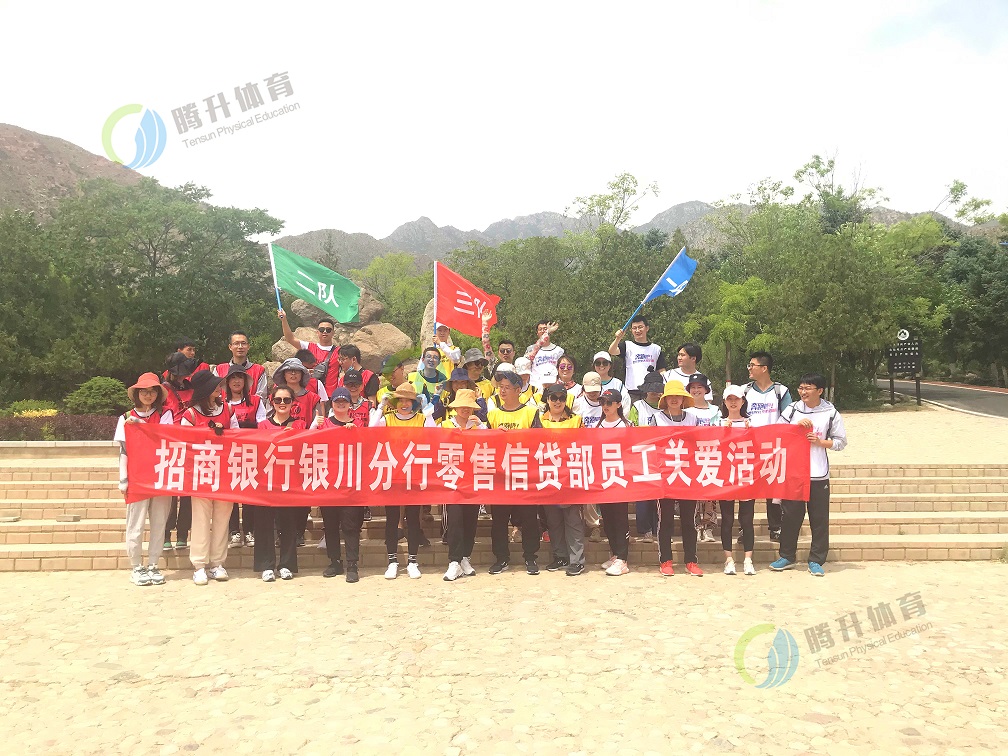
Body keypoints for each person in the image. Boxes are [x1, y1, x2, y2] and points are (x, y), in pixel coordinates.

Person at [770, 373, 848, 577]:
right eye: (801, 388)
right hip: (794, 473)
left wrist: (820, 442)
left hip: (818, 474)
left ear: (819, 391)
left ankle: (816, 560)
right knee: (790, 517)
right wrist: (795, 427)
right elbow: (778, 432)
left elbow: (841, 442)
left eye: (808, 388)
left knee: (819, 518)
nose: (803, 392)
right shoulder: (792, 409)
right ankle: (787, 556)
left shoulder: (830, 412)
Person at [370, 383, 436, 579]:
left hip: (414, 475)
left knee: (413, 519)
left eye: (409, 400)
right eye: (401, 400)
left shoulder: (420, 419)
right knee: (392, 519)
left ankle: (413, 561)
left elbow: (434, 435)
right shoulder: (389, 418)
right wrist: (381, 407)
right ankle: (392, 561)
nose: (405, 404)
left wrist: (428, 413)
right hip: (393, 474)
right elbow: (371, 430)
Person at [180, 370, 239, 586]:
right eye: (215, 386)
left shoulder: (228, 410)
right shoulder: (190, 415)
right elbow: (184, 443)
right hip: (201, 473)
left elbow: (239, 437)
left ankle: (217, 563)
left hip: (225, 472)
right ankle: (199, 565)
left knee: (223, 518)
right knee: (201, 519)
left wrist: (226, 434)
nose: (219, 388)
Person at [116, 373, 174, 586]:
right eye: (144, 391)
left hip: (160, 476)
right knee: (136, 524)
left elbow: (163, 437)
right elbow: (124, 450)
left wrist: (140, 424)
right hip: (137, 478)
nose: (148, 395)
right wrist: (123, 478)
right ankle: (136, 566)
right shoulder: (125, 417)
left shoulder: (165, 414)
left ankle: (153, 565)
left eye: (152, 391)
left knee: (159, 523)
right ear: (136, 393)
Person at [486, 370, 542, 576]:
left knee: (529, 518)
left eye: (507, 387)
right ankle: (501, 558)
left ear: (518, 390)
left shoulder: (530, 412)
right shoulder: (493, 414)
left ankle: (530, 557)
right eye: (500, 387)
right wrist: (494, 435)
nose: (502, 391)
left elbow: (538, 442)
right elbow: (485, 445)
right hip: (500, 477)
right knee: (499, 521)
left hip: (524, 475)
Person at [650, 380, 704, 578]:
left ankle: (691, 561)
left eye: (677, 396)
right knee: (665, 521)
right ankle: (665, 560)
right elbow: (650, 444)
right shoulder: (657, 418)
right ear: (665, 399)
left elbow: (700, 443)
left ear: (683, 398)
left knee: (689, 521)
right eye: (670, 396)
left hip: (688, 476)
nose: (674, 399)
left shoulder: (693, 418)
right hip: (665, 476)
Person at [254, 385, 306, 582]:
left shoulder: (300, 425)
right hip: (266, 482)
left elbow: (305, 449)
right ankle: (266, 565)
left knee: (289, 524)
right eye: (278, 400)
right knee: (264, 525)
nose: (282, 403)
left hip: (289, 482)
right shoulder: (262, 426)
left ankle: (286, 565)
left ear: (293, 403)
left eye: (286, 400)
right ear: (272, 402)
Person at [318, 387, 367, 583]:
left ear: (350, 404)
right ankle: (335, 561)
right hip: (329, 483)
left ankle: (352, 564)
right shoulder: (324, 424)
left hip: (350, 484)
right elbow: (311, 445)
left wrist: (355, 433)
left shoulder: (358, 424)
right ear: (332, 404)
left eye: (344, 401)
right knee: (330, 525)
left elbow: (367, 447)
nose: (340, 404)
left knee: (350, 525)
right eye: (337, 401)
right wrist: (314, 426)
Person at [742, 351, 793, 542]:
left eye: (752, 365)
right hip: (749, 448)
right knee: (748, 491)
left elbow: (788, 418)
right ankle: (745, 530)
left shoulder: (781, 391)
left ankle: (776, 527)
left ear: (764, 368)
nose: (749, 368)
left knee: (773, 490)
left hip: (774, 448)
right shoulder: (745, 391)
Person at [537, 384, 586, 577]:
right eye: (554, 398)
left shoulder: (576, 420)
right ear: (547, 400)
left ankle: (577, 561)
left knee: (573, 521)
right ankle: (560, 557)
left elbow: (584, 444)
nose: (558, 402)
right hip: (548, 476)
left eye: (562, 398)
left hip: (570, 477)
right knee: (553, 521)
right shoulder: (539, 421)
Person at [440, 389, 486, 582]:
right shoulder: (444, 425)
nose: (465, 409)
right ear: (456, 407)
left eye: (469, 406)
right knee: (455, 520)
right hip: (452, 480)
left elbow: (490, 444)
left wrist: (481, 426)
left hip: (472, 480)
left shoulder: (478, 426)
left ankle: (465, 557)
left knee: (470, 520)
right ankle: (454, 560)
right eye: (462, 406)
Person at [223, 364, 266, 548]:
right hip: (228, 454)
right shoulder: (221, 404)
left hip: (251, 452)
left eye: (240, 377)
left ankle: (249, 531)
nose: (236, 381)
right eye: (233, 378)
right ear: (227, 382)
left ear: (245, 382)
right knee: (231, 494)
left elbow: (263, 425)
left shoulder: (256, 401)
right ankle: (233, 531)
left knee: (249, 493)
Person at [719, 384, 756, 576]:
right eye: (729, 399)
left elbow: (761, 446)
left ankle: (748, 560)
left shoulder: (752, 423)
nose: (733, 402)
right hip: (726, 477)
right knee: (727, 519)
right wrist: (721, 432)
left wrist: (753, 433)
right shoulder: (718, 423)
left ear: (743, 401)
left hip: (746, 476)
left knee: (747, 520)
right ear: (724, 402)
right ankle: (729, 559)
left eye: (737, 399)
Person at [161, 352, 195, 550]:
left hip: (191, 442)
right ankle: (166, 533)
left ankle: (183, 533)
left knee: (188, 491)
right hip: (170, 443)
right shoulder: (163, 390)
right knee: (171, 491)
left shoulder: (192, 388)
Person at [596, 389, 632, 576]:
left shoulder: (627, 425)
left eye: (609, 403)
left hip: (621, 479)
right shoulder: (597, 426)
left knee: (620, 519)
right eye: (602, 402)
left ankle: (623, 559)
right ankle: (615, 553)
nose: (605, 406)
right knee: (608, 519)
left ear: (618, 404)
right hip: (604, 479)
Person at [628, 371, 665, 543]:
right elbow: (632, 429)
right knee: (643, 496)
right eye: (651, 389)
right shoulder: (637, 407)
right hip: (642, 455)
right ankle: (645, 530)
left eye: (657, 389)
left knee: (659, 496)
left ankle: (659, 528)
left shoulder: (666, 406)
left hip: (661, 456)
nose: (654, 393)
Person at [686, 372, 721, 543]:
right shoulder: (685, 411)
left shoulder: (715, 410)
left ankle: (708, 529)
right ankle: (695, 527)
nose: (696, 390)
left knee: (709, 494)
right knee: (693, 495)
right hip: (691, 457)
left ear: (706, 389)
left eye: (699, 387)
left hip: (710, 455)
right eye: (692, 387)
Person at [278, 309, 341, 399]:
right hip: (310, 394)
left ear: (333, 333)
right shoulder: (309, 347)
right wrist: (284, 320)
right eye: (321, 329)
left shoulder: (339, 351)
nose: (325, 332)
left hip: (331, 396)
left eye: (328, 330)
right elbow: (290, 338)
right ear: (317, 332)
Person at [574, 371, 604, 542]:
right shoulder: (577, 404)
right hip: (582, 452)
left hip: (603, 452)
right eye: (589, 390)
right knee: (586, 489)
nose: (593, 394)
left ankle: (597, 525)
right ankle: (592, 525)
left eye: (596, 390)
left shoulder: (606, 403)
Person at [607, 315, 667, 400]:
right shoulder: (627, 345)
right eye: (634, 328)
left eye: (640, 327)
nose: (637, 330)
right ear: (631, 330)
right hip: (632, 392)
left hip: (651, 392)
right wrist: (618, 339)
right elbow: (612, 351)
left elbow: (662, 370)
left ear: (647, 328)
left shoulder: (656, 349)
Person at [213, 331, 267, 400]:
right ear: (230, 347)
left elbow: (261, 397)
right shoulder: (219, 370)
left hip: (252, 406)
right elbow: (214, 395)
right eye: (236, 343)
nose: (240, 347)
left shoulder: (259, 370)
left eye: (243, 343)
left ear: (248, 346)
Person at [524, 320, 563, 388]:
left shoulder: (559, 350)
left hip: (553, 386)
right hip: (535, 386)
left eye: (545, 329)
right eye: (540, 329)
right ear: (537, 333)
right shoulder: (531, 349)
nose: (543, 331)